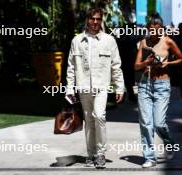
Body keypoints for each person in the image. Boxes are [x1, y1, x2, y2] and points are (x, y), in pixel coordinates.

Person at [66, 7, 125, 169]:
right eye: (92, 19)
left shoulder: (109, 40)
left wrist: (119, 87)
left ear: (101, 21)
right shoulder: (77, 41)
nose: (95, 22)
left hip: (101, 86)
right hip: (83, 86)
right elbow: (71, 67)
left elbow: (116, 65)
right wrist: (70, 89)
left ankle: (101, 153)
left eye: (98, 19)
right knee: (88, 120)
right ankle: (91, 154)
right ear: (87, 19)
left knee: (99, 116)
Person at [134, 13, 182, 168]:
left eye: (158, 30)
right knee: (146, 123)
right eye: (152, 30)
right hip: (145, 85)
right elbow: (136, 66)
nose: (155, 33)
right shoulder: (143, 42)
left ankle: (169, 143)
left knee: (159, 123)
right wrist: (146, 62)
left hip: (162, 85)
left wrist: (167, 62)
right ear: (148, 29)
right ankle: (149, 157)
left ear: (162, 29)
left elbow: (181, 58)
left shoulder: (168, 41)